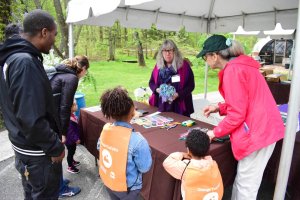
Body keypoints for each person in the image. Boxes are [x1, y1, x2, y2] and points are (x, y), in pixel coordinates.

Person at [197, 35, 285, 200]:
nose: (205, 60)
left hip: (258, 133)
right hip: (263, 129)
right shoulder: (239, 66)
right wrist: (219, 107)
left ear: (214, 56)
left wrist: (213, 133)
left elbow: (237, 114)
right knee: (244, 181)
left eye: (205, 56)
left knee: (246, 187)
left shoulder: (233, 70)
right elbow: (243, 101)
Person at [0, 9, 65, 199]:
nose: (54, 41)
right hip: (38, 154)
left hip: (24, 149)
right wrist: (55, 147)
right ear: (44, 32)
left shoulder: (12, 58)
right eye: (54, 34)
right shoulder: (24, 62)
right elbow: (31, 119)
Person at [98, 86, 152, 200]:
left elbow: (99, 147)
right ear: (132, 112)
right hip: (128, 188)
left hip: (108, 180)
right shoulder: (138, 141)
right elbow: (144, 167)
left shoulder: (105, 129)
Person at [49, 55, 89, 197]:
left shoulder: (63, 73)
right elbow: (65, 107)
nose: (85, 74)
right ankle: (60, 189)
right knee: (57, 154)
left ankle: (58, 182)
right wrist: (63, 132)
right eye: (86, 71)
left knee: (55, 155)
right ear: (83, 69)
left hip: (51, 119)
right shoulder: (71, 78)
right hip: (53, 122)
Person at [163, 129, 223, 200]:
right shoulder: (212, 163)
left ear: (188, 150)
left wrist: (182, 154)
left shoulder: (186, 167)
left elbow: (167, 162)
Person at [149, 39, 195, 117]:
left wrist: (178, 94)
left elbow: (191, 85)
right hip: (161, 105)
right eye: (165, 51)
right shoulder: (158, 66)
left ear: (175, 52)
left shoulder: (184, 66)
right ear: (161, 53)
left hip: (179, 106)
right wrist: (157, 90)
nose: (167, 54)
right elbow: (151, 82)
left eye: (170, 50)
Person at [65, 100, 81, 174]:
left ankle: (72, 161)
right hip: (70, 140)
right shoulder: (69, 119)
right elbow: (70, 132)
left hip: (70, 140)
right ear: (70, 107)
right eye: (75, 105)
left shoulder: (71, 115)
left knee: (72, 151)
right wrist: (76, 139)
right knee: (71, 152)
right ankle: (70, 166)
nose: (76, 106)